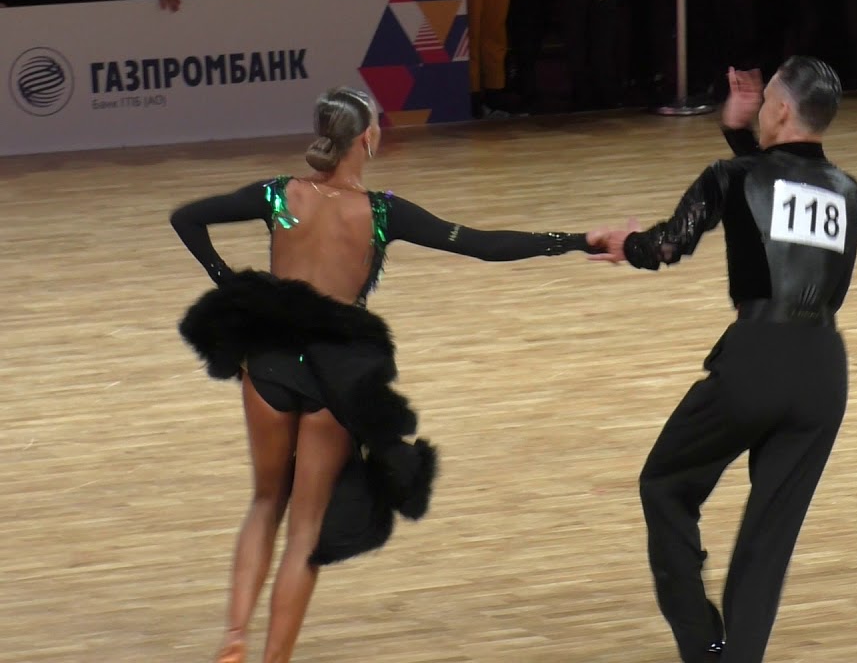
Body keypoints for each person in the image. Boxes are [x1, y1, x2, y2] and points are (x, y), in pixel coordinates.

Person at [170, 87, 603, 663]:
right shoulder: (380, 212)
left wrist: (232, 282)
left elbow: (187, 218)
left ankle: (234, 637)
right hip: (336, 375)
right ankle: (273, 659)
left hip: (269, 365)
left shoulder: (279, 194)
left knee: (263, 502)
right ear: (368, 139)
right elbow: (480, 244)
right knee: (307, 529)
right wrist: (573, 241)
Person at [589, 57, 857, 663]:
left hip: (757, 360)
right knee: (770, 539)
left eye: (765, 100)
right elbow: (779, 198)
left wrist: (623, 245)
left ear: (783, 110)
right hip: (823, 371)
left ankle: (702, 642)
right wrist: (740, 132)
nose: (758, 105)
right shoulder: (848, 191)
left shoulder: (731, 175)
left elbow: (668, 242)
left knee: (664, 484)